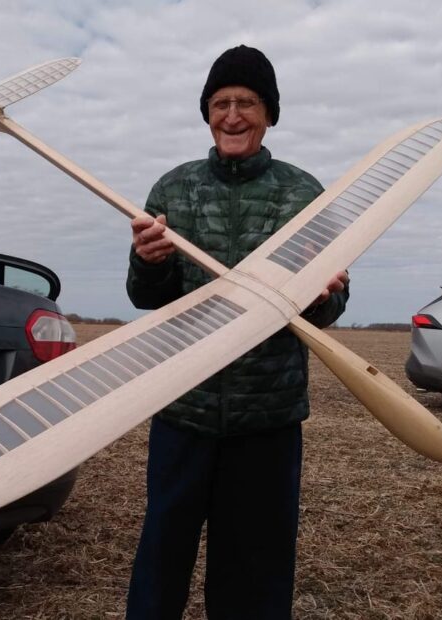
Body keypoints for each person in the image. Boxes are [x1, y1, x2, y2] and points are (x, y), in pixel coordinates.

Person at [124, 45, 349, 619]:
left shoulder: (304, 194)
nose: (232, 115)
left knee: (257, 569)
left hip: (266, 420)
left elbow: (327, 309)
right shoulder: (172, 191)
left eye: (246, 102)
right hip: (183, 410)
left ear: (268, 113)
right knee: (161, 558)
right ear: (206, 113)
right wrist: (148, 261)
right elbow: (148, 298)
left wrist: (328, 293)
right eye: (220, 103)